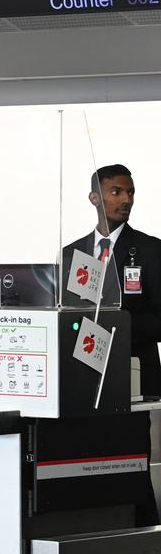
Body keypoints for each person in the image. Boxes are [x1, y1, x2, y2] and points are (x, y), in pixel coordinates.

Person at [63, 165, 161, 396]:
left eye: (131, 192)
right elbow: (66, 314)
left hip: (134, 379)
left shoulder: (151, 250)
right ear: (94, 198)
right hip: (81, 377)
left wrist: (113, 326)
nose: (127, 199)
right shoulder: (72, 253)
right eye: (116, 192)